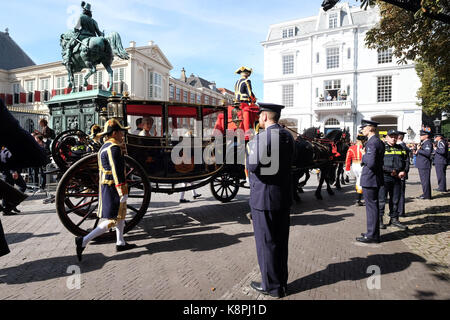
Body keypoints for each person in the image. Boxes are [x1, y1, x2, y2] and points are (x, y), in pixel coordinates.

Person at [246, 102, 294, 298]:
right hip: (282, 196)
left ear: (265, 116)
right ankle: (280, 282)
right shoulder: (287, 136)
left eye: (260, 116)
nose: (259, 119)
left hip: (263, 198)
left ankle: (271, 286)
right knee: (281, 242)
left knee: (266, 243)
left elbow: (253, 165)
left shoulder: (265, 137)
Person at [75, 119, 137, 262]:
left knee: (120, 214)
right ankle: (83, 240)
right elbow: (116, 170)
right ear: (114, 133)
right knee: (112, 220)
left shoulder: (105, 146)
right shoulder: (114, 148)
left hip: (107, 185)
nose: (122, 134)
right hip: (113, 186)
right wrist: (122, 189)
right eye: (121, 132)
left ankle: (120, 242)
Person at [356, 120, 385, 244]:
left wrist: (363, 155)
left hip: (370, 178)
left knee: (371, 208)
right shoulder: (377, 141)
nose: (362, 130)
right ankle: (372, 232)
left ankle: (372, 235)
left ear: (370, 128)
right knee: (373, 207)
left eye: (364, 128)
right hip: (374, 178)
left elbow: (372, 162)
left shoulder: (372, 143)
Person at [378, 130, 408, 230]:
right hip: (384, 177)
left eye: (395, 136)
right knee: (381, 200)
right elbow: (378, 163)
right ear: (386, 137)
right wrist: (390, 170)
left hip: (397, 178)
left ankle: (394, 219)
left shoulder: (401, 148)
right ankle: (379, 220)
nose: (393, 138)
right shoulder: (382, 148)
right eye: (391, 136)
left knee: (395, 200)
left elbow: (406, 160)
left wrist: (404, 171)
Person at [64, 2, 104, 66]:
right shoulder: (94, 21)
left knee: (69, 45)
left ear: (84, 10)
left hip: (83, 36)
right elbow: (99, 33)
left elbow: (76, 28)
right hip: (93, 36)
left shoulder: (81, 17)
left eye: (83, 10)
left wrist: (76, 30)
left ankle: (67, 60)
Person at [234, 66, 259, 141]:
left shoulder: (237, 82)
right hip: (245, 103)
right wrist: (254, 99)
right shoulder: (247, 81)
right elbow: (249, 92)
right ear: (247, 74)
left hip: (238, 103)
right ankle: (256, 131)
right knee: (258, 111)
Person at [1, 147, 27, 215]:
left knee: (8, 191)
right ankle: (8, 207)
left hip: (8, 172)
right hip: (10, 172)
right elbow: (10, 160)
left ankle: (10, 206)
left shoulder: (6, 148)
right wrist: (13, 171)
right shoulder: (9, 148)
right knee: (22, 186)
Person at [345, 134, 366, 206]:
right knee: (360, 182)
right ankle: (358, 200)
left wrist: (347, 169)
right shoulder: (364, 147)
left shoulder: (351, 148)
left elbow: (348, 159)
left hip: (354, 165)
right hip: (361, 165)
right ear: (363, 140)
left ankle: (358, 198)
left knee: (358, 180)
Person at [415, 130, 433, 199]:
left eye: (422, 135)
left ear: (426, 136)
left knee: (425, 181)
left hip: (424, 164)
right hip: (422, 164)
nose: (420, 136)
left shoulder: (427, 143)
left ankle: (426, 195)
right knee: (424, 181)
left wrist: (419, 150)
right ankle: (426, 193)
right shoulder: (424, 143)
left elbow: (427, 153)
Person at [397, 131, 411, 217]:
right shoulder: (403, 146)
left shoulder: (402, 146)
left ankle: (400, 212)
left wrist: (404, 171)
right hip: (400, 173)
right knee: (399, 193)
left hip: (401, 173)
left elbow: (406, 161)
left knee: (400, 193)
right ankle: (399, 211)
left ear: (398, 137)